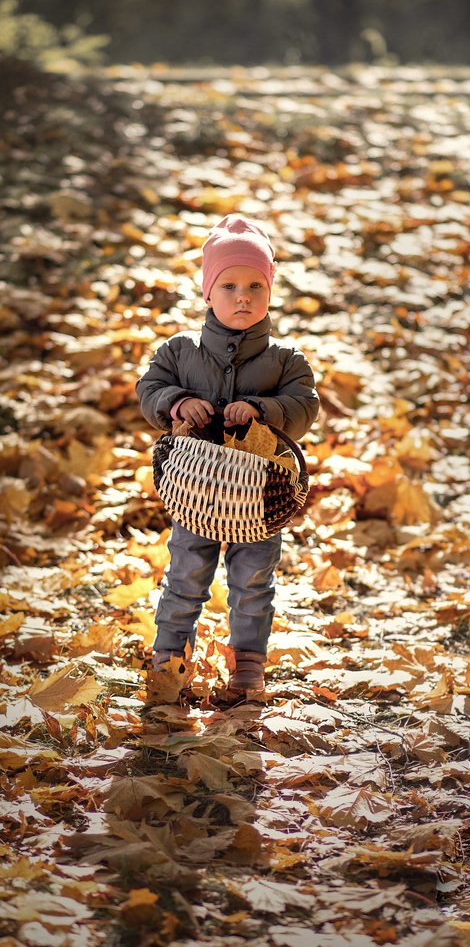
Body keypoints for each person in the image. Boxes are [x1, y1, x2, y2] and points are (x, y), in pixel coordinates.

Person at [136, 214, 319, 696]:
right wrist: (175, 401)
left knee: (253, 582)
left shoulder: (286, 359)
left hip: (259, 496)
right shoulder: (180, 351)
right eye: (230, 285)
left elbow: (304, 408)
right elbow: (149, 388)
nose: (244, 296)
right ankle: (169, 660)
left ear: (271, 291)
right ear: (207, 293)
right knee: (185, 577)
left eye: (256, 285)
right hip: (195, 491)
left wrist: (263, 410)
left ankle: (247, 667)